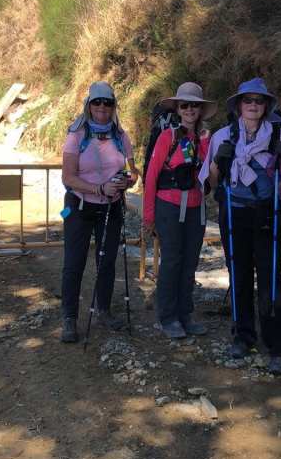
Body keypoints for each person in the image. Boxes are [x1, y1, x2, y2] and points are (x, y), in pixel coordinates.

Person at [199, 78, 281, 378]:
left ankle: (278, 346)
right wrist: (218, 163)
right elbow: (211, 182)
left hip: (267, 212)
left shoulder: (279, 135)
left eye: (259, 100)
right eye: (247, 100)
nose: (253, 105)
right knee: (239, 273)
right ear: (239, 105)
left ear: (266, 105)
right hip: (234, 212)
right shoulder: (222, 137)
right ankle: (243, 336)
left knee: (270, 278)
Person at [60, 81, 138, 343]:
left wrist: (128, 180)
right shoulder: (77, 135)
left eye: (108, 102)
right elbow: (68, 177)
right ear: (89, 105)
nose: (102, 107)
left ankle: (103, 310)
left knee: (107, 262)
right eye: (97, 102)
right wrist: (99, 188)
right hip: (79, 206)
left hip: (111, 207)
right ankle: (69, 318)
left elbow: (133, 171)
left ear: (114, 105)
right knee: (74, 262)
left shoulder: (121, 136)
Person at [143, 82, 215, 339]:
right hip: (169, 206)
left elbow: (209, 173)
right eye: (184, 105)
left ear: (201, 109)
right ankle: (167, 316)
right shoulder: (168, 137)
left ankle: (185, 314)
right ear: (177, 109)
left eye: (194, 105)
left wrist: (205, 143)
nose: (189, 110)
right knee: (172, 261)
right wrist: (149, 215)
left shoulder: (205, 139)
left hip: (196, 207)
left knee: (190, 262)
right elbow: (151, 176)